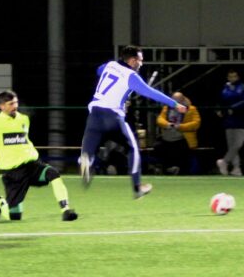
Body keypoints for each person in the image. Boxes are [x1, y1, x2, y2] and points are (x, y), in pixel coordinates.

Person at [78, 45, 187, 197]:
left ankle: (86, 161)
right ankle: (137, 188)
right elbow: (150, 92)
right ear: (133, 60)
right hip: (113, 117)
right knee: (132, 148)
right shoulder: (130, 76)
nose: (141, 64)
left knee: (89, 149)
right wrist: (174, 104)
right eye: (140, 60)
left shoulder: (110, 65)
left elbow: (99, 71)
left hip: (94, 115)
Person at [0, 90, 78, 221]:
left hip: (32, 165)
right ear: (1, 106)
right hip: (13, 172)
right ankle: (0, 202)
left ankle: (65, 210)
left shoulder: (24, 119)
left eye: (16, 102)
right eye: (11, 104)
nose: (15, 106)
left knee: (53, 173)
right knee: (14, 217)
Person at [216, 68, 244, 176]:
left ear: (238, 77)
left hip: (241, 119)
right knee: (231, 146)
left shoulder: (243, 88)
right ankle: (236, 168)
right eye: (230, 76)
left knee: (238, 144)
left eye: (234, 76)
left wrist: (234, 108)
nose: (232, 78)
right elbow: (220, 101)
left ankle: (224, 161)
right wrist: (219, 110)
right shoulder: (225, 88)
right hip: (229, 120)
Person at [155, 92, 201, 174]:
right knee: (158, 147)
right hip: (167, 138)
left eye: (178, 100)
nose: (175, 103)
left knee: (182, 154)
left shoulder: (191, 109)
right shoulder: (166, 108)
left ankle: (181, 170)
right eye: (173, 100)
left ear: (183, 100)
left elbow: (196, 123)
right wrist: (167, 124)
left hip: (183, 138)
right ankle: (167, 169)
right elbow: (160, 119)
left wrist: (181, 126)